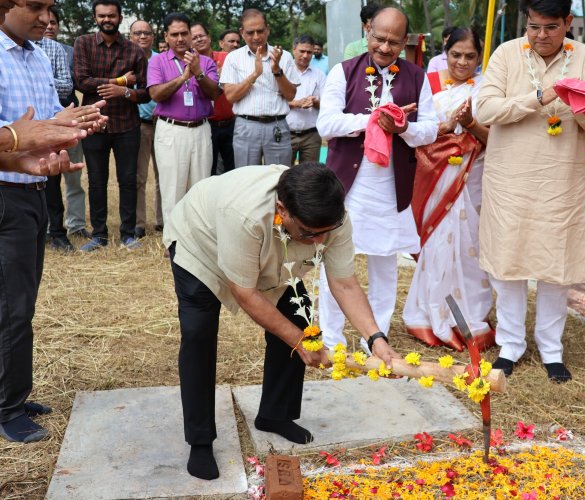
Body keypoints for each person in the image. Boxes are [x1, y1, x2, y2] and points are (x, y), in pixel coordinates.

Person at [164, 163, 398, 480]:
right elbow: (245, 293)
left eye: (325, 233)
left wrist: (376, 339)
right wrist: (299, 343)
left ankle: (275, 414)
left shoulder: (331, 218)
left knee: (298, 321)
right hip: (202, 244)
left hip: (269, 253)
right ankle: (200, 440)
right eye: (310, 234)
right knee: (198, 334)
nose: (319, 242)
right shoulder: (244, 214)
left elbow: (344, 283)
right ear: (281, 209)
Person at [476, 0, 585, 382]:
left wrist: (583, 108)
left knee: (557, 267)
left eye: (550, 28)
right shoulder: (507, 53)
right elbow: (484, 110)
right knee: (508, 264)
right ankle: (510, 346)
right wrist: (539, 98)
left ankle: (552, 349)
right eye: (533, 27)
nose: (540, 36)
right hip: (509, 180)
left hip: (561, 182)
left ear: (568, 22)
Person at [0, 0, 104, 444]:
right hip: (5, 194)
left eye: (50, 8)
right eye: (37, 6)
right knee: (12, 308)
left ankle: (14, 395)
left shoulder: (38, 55)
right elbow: (24, 132)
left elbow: (45, 122)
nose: (47, 18)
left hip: (33, 194)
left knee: (20, 304)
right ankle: (7, 408)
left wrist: (68, 126)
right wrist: (24, 136)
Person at [317, 7, 438, 351]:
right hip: (348, 187)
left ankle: (376, 339)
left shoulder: (416, 76)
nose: (385, 47)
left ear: (406, 42)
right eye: (379, 38)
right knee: (337, 262)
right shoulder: (342, 72)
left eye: (394, 42)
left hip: (391, 186)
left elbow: (430, 130)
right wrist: (373, 119)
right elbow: (326, 124)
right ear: (368, 30)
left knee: (385, 266)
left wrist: (403, 128)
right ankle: (332, 338)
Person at [403, 27, 493, 352]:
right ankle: (426, 316)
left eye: (470, 56)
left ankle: (471, 318)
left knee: (470, 248)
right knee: (438, 246)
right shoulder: (431, 82)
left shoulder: (488, 89)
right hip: (437, 177)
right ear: (445, 50)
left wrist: (468, 124)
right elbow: (418, 131)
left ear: (479, 56)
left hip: (474, 176)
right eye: (456, 54)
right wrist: (441, 130)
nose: (462, 62)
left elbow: (494, 139)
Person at [74, 0, 150, 251]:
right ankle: (99, 234)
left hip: (127, 125)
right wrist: (119, 81)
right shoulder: (83, 43)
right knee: (96, 180)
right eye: (102, 16)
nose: (107, 19)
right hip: (93, 123)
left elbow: (145, 92)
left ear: (120, 17)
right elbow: (82, 81)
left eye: (111, 15)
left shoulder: (135, 51)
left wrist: (124, 92)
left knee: (128, 180)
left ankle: (128, 234)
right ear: (95, 17)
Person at [148, 13, 220, 226]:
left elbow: (215, 93)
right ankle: (173, 240)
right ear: (166, 36)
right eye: (174, 34)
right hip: (171, 130)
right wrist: (182, 78)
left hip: (201, 129)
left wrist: (197, 73)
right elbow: (155, 94)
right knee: (173, 187)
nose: (180, 39)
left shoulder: (205, 62)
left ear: (191, 34)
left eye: (184, 33)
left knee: (201, 186)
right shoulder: (157, 61)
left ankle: (199, 238)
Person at [221, 9, 299, 168]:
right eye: (250, 32)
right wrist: (255, 74)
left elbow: (291, 95)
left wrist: (277, 70)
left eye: (260, 31)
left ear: (268, 29)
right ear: (242, 32)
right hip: (246, 126)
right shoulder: (233, 58)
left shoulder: (284, 56)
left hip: (277, 125)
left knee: (278, 179)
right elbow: (230, 96)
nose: (256, 37)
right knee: (246, 180)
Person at [45, 6, 89, 240]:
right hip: (43, 121)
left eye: (54, 22)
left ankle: (77, 224)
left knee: (74, 176)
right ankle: (50, 225)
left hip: (69, 116)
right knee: (47, 178)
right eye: (47, 21)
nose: (49, 26)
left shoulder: (70, 52)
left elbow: (73, 84)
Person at [34, 28, 75, 252]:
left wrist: (41, 82)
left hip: (50, 123)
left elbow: (67, 85)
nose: (45, 22)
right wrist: (45, 82)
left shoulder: (52, 48)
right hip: (14, 129)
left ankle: (57, 232)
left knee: (51, 181)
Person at [130, 20, 163, 238]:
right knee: (139, 176)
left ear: (153, 36)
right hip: (140, 124)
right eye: (138, 33)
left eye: (147, 33)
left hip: (163, 124)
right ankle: (139, 223)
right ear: (130, 36)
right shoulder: (127, 59)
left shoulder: (161, 60)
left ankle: (163, 219)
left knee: (165, 176)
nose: (143, 36)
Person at [191, 22, 235, 175]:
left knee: (233, 171)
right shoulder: (189, 63)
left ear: (209, 37)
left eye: (201, 35)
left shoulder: (227, 58)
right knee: (208, 170)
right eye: (194, 37)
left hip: (231, 123)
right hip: (206, 124)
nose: (198, 39)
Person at [288, 35, 326, 164]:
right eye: (302, 51)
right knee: (280, 173)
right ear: (294, 49)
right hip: (286, 134)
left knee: (309, 176)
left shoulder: (319, 75)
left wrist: (315, 102)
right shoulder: (283, 72)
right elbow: (274, 102)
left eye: (309, 52)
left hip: (311, 135)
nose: (305, 55)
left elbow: (327, 103)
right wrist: (296, 103)